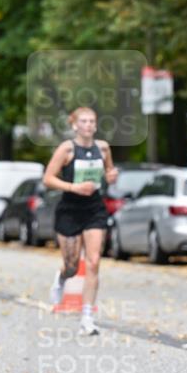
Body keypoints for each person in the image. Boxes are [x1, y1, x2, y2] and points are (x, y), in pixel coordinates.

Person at [42, 106, 118, 336]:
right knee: (72, 266)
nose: (88, 125)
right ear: (74, 125)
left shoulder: (103, 148)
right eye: (83, 121)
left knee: (93, 262)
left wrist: (111, 176)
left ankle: (87, 318)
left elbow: (109, 173)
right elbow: (48, 178)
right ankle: (61, 277)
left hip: (94, 208)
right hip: (70, 209)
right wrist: (74, 187)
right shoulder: (67, 149)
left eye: (91, 121)